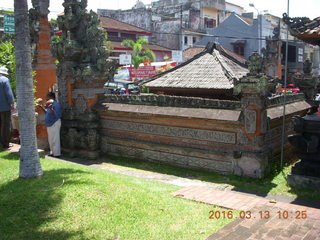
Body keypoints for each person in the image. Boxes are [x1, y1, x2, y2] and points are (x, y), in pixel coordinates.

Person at [42, 92, 61, 157]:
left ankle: (57, 154)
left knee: (55, 139)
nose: (46, 99)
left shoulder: (56, 104)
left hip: (55, 122)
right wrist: (41, 107)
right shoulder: (49, 104)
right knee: (50, 139)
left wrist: (51, 109)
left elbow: (56, 115)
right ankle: (52, 152)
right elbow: (47, 112)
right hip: (49, 123)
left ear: (51, 97)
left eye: (47, 97)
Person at [0, 66, 14, 149]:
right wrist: (12, 103)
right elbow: (8, 93)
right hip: (4, 107)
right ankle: (5, 144)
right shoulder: (4, 80)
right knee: (6, 125)